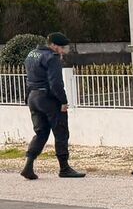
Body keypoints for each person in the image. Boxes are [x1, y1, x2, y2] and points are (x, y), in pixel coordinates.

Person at [20, 32, 85, 180]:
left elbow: (29, 77)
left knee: (41, 132)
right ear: (53, 45)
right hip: (48, 99)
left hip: (33, 97)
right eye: (61, 48)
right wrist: (63, 101)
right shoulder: (52, 57)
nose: (63, 51)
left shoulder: (32, 54)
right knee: (61, 131)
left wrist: (28, 98)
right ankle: (64, 168)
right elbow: (55, 83)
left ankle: (28, 165)